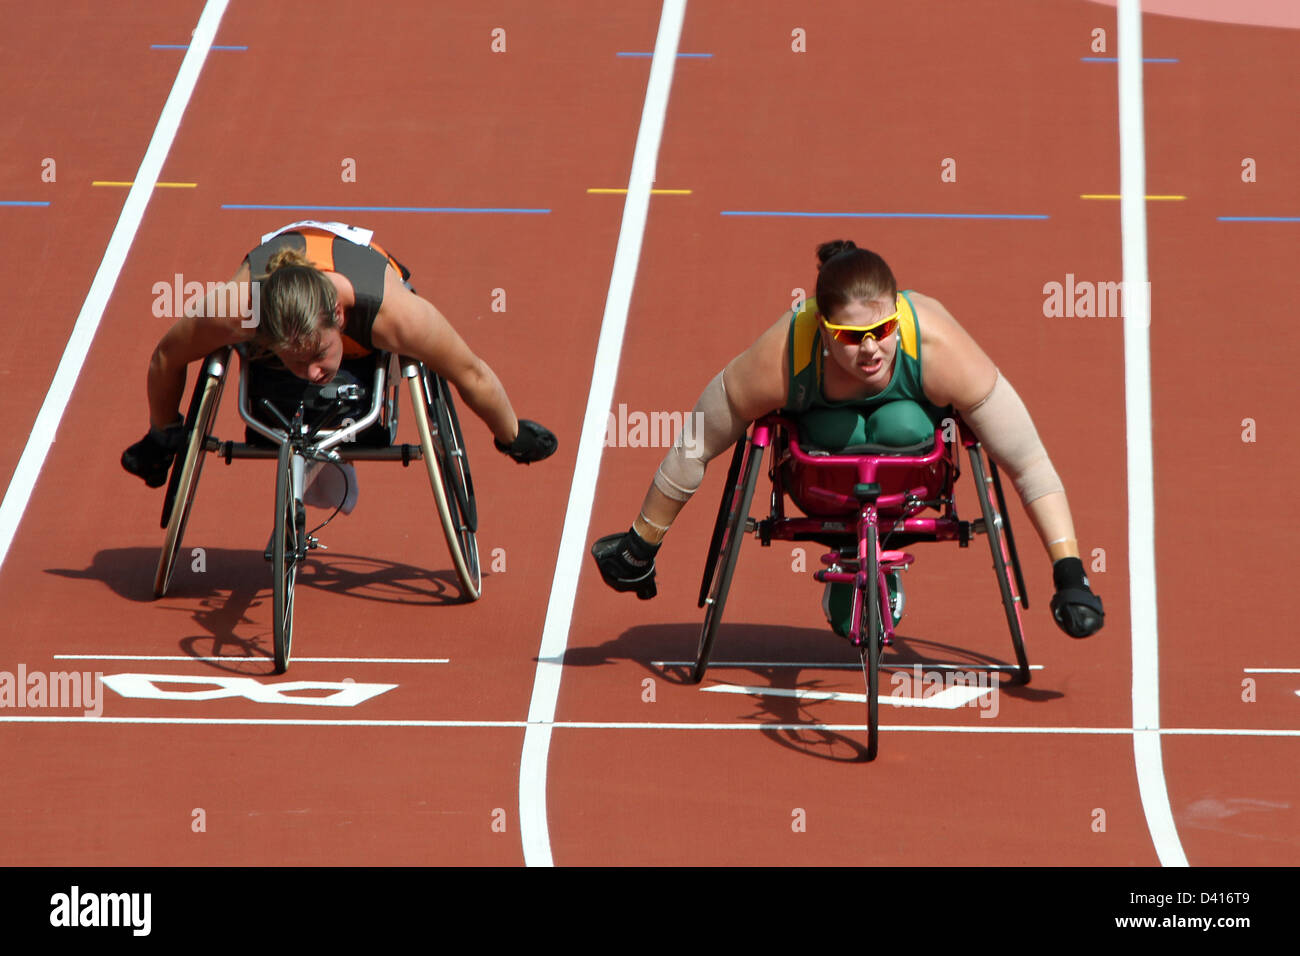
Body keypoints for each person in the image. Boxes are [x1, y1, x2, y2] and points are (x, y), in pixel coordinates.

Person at [591, 240, 1103, 639]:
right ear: (822, 328)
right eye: (849, 336)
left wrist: (1071, 575)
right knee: (841, 427)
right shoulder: (783, 354)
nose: (870, 350)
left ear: (897, 318)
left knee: (903, 421)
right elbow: (696, 443)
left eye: (881, 330)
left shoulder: (939, 344)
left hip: (915, 481)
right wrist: (641, 544)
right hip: (820, 482)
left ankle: (875, 558)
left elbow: (1028, 461)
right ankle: (850, 554)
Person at [122, 221, 557, 504]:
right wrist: (164, 432)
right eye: (295, 360)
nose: (312, 372)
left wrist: (510, 434)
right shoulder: (239, 309)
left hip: (365, 287)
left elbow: (471, 373)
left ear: (341, 320)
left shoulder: (393, 315)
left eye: (318, 355)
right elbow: (166, 356)